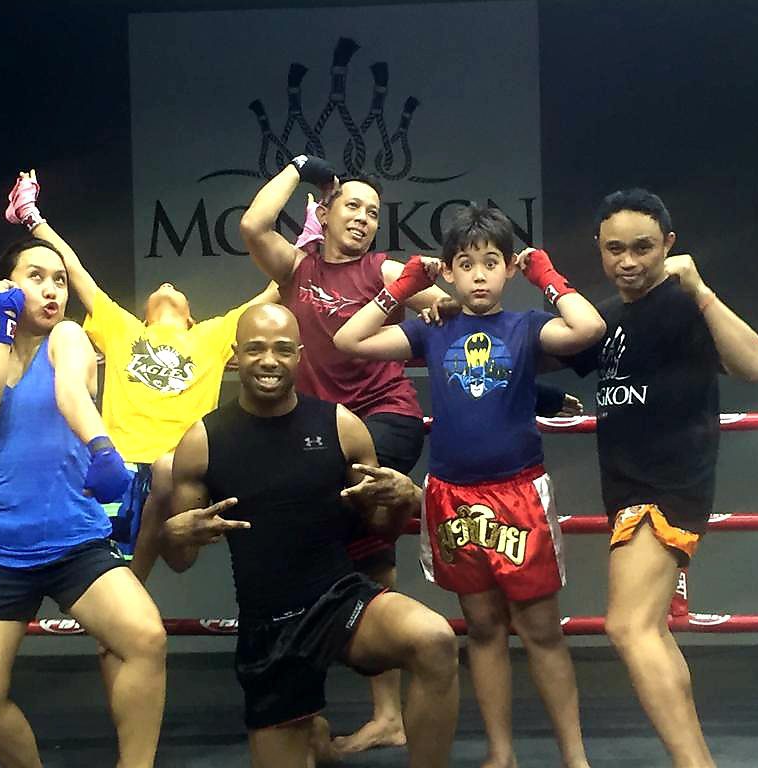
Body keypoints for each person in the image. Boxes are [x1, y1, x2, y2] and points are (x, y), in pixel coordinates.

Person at [239, 154, 577, 754]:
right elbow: (253, 225)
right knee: (355, 546)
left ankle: (392, 711)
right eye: (352, 206)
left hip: (386, 419)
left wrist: (424, 288)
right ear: (323, 212)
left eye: (374, 212)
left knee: (365, 514)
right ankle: (361, 709)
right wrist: (302, 166)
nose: (364, 218)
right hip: (330, 430)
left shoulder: (385, 267)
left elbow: (467, 310)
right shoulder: (297, 266)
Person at [335, 205, 604, 768]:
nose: (478, 275)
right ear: (449, 271)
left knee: (540, 629)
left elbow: (589, 329)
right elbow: (348, 340)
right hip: (453, 496)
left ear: (508, 268)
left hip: (519, 493)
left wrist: (545, 274)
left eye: (490, 263)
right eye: (465, 263)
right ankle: (501, 754)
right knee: (482, 628)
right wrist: (406, 286)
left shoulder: (526, 325)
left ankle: (575, 758)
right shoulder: (433, 327)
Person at [164, 303, 459, 768]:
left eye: (283, 349)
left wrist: (405, 499)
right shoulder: (203, 441)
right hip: (269, 627)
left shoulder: (340, 425)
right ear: (236, 355)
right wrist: (172, 532)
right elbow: (180, 560)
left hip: (339, 599)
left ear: (299, 356)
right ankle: (313, 736)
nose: (269, 360)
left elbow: (379, 529)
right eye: (256, 349)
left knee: (435, 639)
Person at [565, 189, 758, 768]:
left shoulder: (683, 303)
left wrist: (701, 289)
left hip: (668, 487)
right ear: (600, 249)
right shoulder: (609, 316)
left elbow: (756, 367)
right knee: (650, 629)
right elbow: (539, 348)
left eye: (643, 248)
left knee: (627, 626)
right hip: (628, 487)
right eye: (615, 249)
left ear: (668, 245)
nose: (628, 261)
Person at [3, 168, 279, 582]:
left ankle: (136, 585)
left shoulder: (213, 334)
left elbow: (277, 288)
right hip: (122, 467)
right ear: (144, 314)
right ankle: (126, 596)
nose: (166, 283)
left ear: (191, 316)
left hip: (182, 476)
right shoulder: (123, 328)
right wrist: (32, 218)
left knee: (169, 478)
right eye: (158, 288)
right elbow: (73, 269)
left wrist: (311, 245)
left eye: (176, 289)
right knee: (103, 565)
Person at [0, 238, 166, 768]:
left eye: (60, 280)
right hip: (2, 548)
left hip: (76, 541)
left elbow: (70, 391)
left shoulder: (68, 337)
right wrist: (1, 324)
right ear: (4, 287)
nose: (52, 290)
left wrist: (102, 446)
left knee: (145, 638)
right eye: (36, 277)